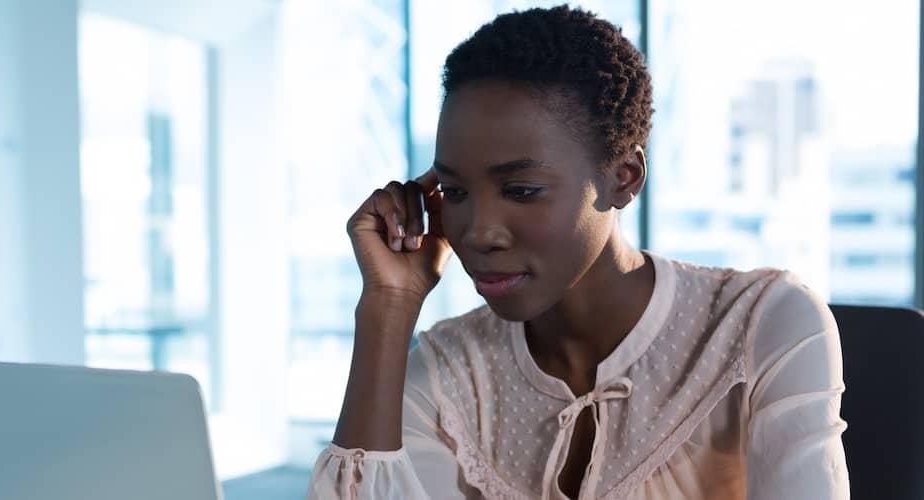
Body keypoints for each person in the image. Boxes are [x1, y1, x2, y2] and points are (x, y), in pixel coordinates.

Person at [305, 5, 849, 500]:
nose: (477, 232)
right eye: (455, 193)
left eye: (521, 191)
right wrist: (388, 306)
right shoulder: (449, 374)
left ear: (624, 178)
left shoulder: (762, 323)